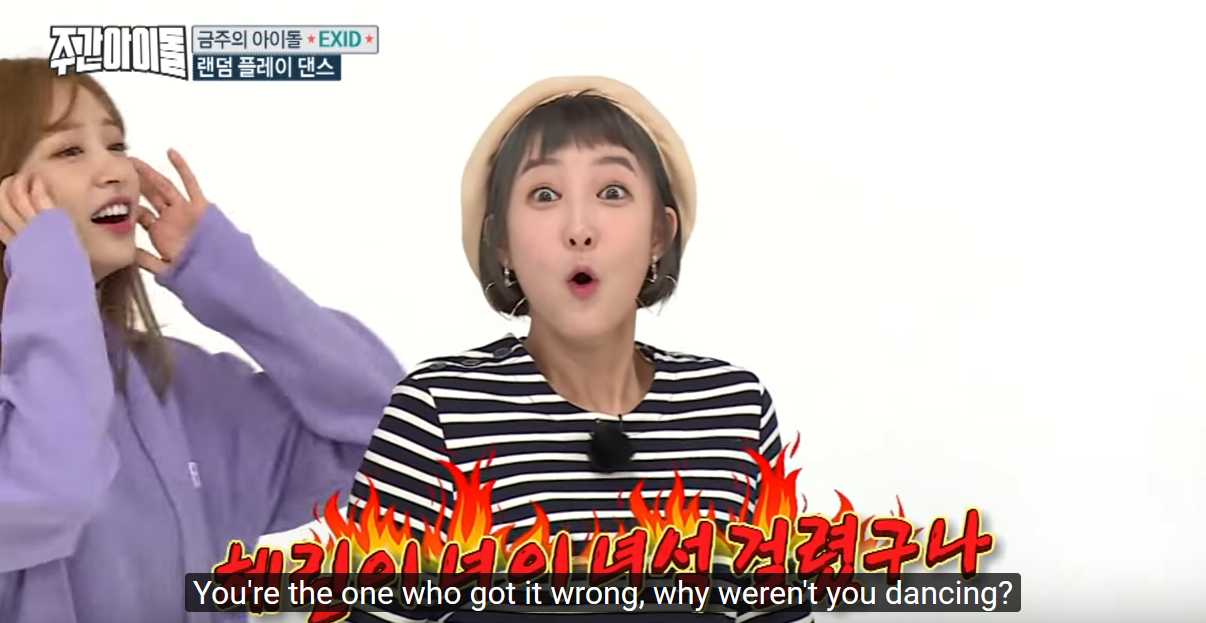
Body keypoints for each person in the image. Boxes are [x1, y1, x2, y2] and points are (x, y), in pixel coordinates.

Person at [346, 77, 813, 622]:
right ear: (502, 242)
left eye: (612, 192)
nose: (579, 229)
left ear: (659, 234)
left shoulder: (735, 410)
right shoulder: (437, 412)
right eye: (544, 195)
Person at [0, 58, 404, 622]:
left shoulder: (178, 385)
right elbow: (48, 496)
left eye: (116, 145)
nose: (115, 171)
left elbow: (392, 439)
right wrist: (45, 275)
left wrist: (228, 274)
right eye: (70, 151)